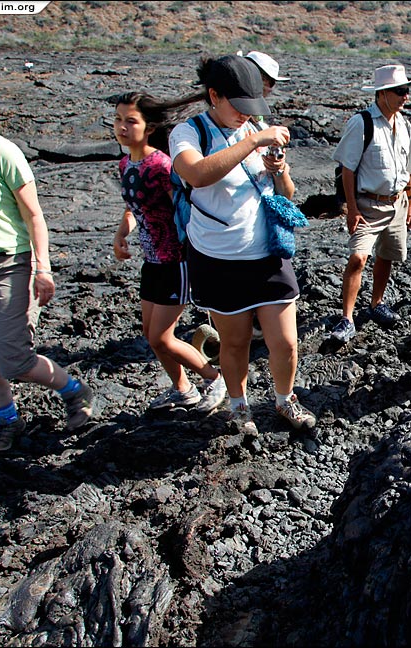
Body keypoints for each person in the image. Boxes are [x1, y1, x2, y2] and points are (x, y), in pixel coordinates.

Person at [0, 66, 96, 453]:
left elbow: (33, 216)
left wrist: (43, 268)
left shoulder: (1, 151)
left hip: (7, 266)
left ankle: (74, 390)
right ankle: (8, 419)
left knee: (13, 358)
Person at [167, 54, 316, 433]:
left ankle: (285, 399)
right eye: (238, 106)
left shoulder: (255, 128)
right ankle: (239, 407)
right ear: (214, 95)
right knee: (234, 344)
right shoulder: (189, 133)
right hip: (218, 259)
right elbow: (197, 174)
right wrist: (252, 142)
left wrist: (279, 171)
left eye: (251, 107)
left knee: (286, 342)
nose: (245, 115)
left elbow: (286, 193)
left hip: (267, 254)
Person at [110, 91, 224, 412]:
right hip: (152, 261)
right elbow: (134, 208)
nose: (122, 126)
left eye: (130, 121)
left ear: (149, 128)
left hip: (176, 261)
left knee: (162, 337)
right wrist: (121, 234)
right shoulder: (126, 164)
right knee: (151, 334)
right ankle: (183, 389)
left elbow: (187, 205)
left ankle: (215, 378)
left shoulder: (162, 165)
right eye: (118, 119)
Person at [328, 64, 411, 343]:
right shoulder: (362, 123)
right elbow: (348, 169)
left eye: (406, 90)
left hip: (397, 203)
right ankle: (347, 318)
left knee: (387, 255)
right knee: (358, 257)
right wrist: (352, 208)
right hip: (368, 204)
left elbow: (409, 168)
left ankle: (376, 303)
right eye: (400, 91)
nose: (406, 96)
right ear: (382, 93)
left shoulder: (404, 125)